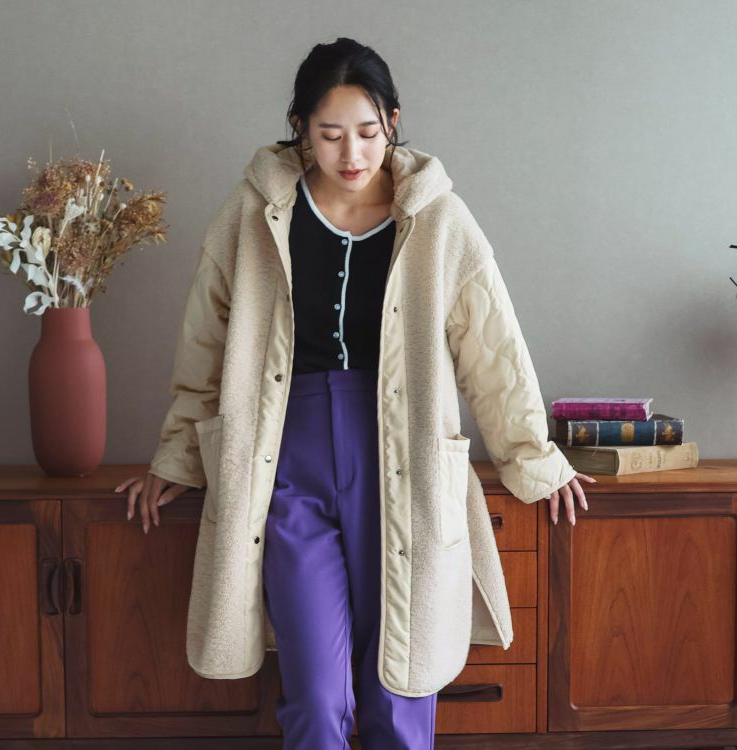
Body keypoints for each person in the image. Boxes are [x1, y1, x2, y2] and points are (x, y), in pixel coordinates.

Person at [115, 37, 594, 750]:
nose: (352, 153)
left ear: (393, 122)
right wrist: (178, 456)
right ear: (301, 129)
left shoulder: (438, 219)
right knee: (315, 698)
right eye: (331, 133)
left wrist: (534, 456)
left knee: (400, 687)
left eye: (368, 132)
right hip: (287, 467)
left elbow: (492, 349)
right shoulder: (255, 213)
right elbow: (205, 346)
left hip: (402, 462)